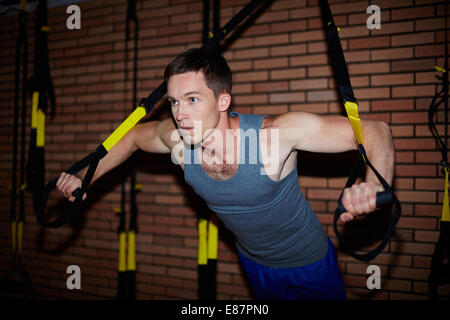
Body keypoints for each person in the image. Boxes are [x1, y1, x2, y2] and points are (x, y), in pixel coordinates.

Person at [56, 48, 394, 300]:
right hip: (254, 264)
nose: (180, 114)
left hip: (309, 261)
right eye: (174, 102)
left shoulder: (273, 137)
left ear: (223, 100)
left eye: (191, 99)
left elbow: (375, 130)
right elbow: (130, 137)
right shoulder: (179, 142)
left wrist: (373, 184)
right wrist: (87, 177)